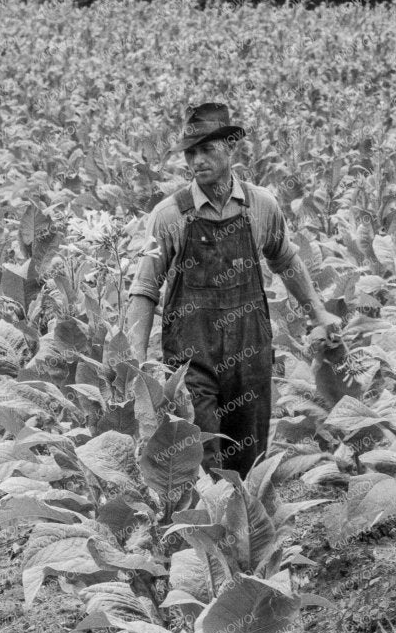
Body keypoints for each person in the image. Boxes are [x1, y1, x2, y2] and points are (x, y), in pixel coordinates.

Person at [123, 102, 339, 478]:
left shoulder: (261, 205)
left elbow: (285, 260)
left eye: (207, 149)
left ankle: (242, 532)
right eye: (191, 152)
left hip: (250, 354)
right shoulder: (170, 215)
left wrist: (317, 311)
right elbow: (144, 288)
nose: (198, 160)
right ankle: (205, 529)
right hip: (192, 361)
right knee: (200, 457)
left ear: (230, 148)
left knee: (248, 461)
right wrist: (136, 362)